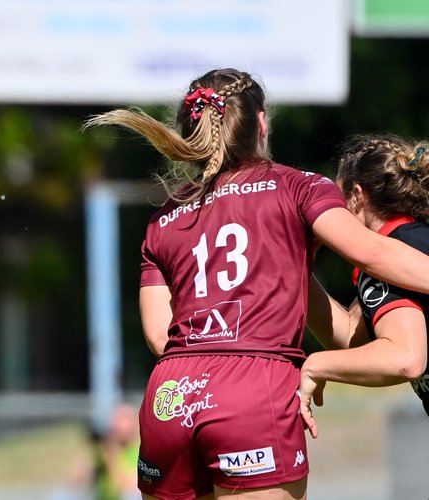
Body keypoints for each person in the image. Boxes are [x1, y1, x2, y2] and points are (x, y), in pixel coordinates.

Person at [83, 68, 429, 500]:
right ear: (261, 124)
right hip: (254, 390)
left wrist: (289, 270)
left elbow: (159, 336)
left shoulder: (163, 218)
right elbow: (373, 253)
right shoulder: (298, 187)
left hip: (171, 397)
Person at [300, 135, 429, 437]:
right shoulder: (414, 243)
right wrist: (299, 267)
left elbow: (405, 359)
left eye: (335, 201)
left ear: (357, 196)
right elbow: (352, 338)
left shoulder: (385, 260)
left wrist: (315, 364)